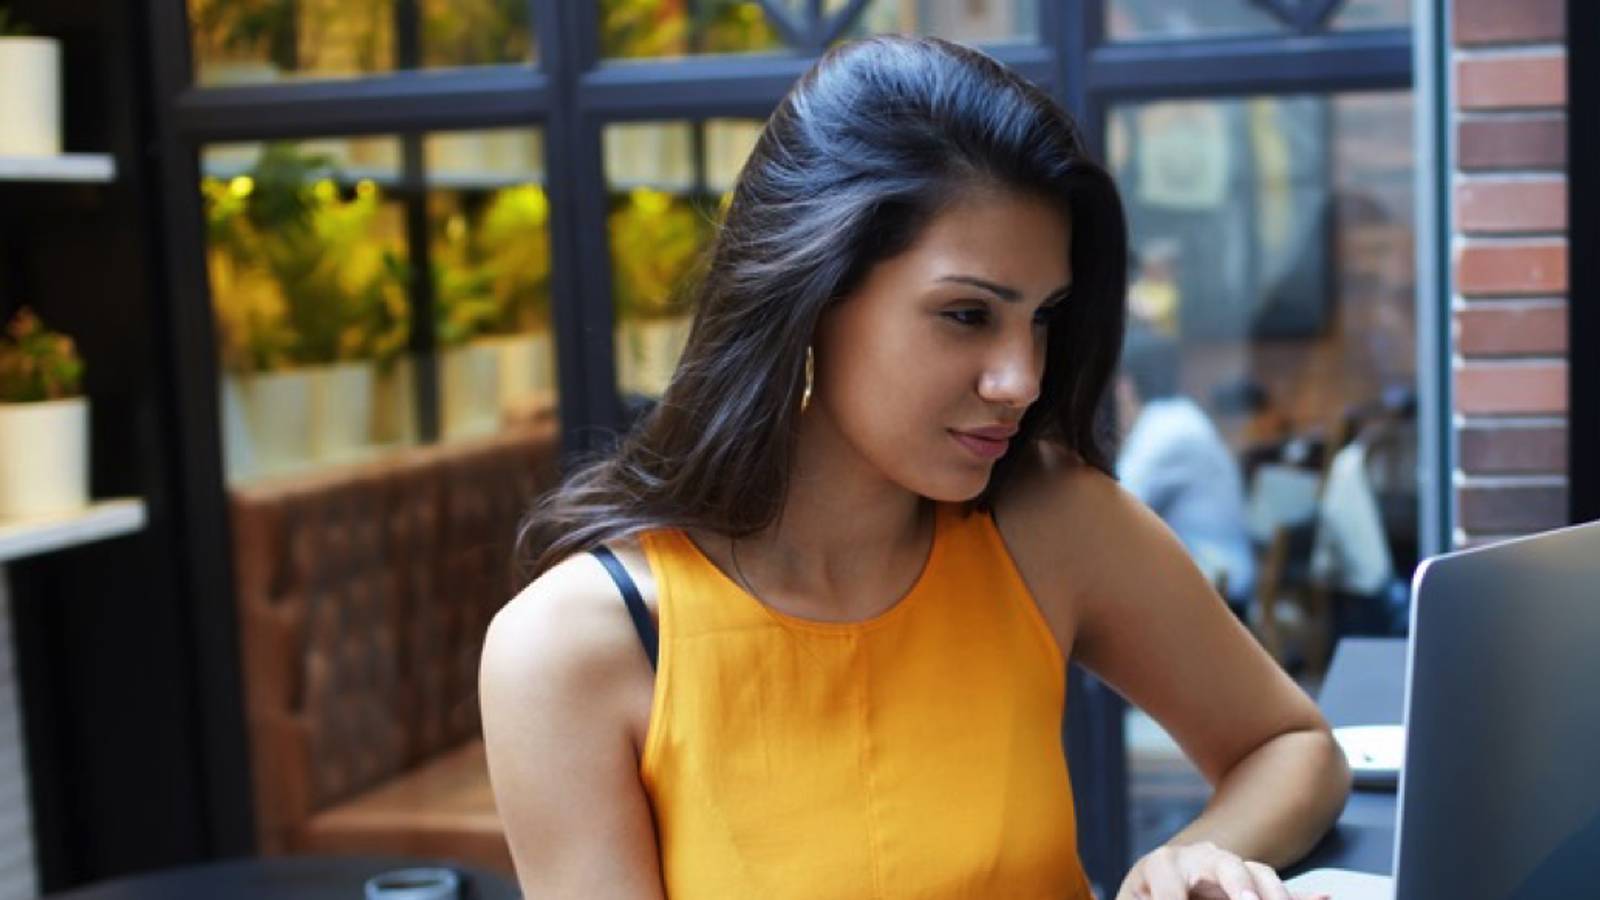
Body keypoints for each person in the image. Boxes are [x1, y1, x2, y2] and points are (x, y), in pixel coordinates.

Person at [480, 36, 1349, 900]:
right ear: (812, 296)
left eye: (1043, 318)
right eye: (968, 314)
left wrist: (1191, 858)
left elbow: (1290, 746)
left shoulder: (1048, 523)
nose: (1023, 378)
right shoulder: (573, 652)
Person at [1114, 325, 1257, 611]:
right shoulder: (1179, 416)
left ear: (1125, 386)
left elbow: (1110, 510)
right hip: (1210, 584)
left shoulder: (1166, 430)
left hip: (1221, 597)